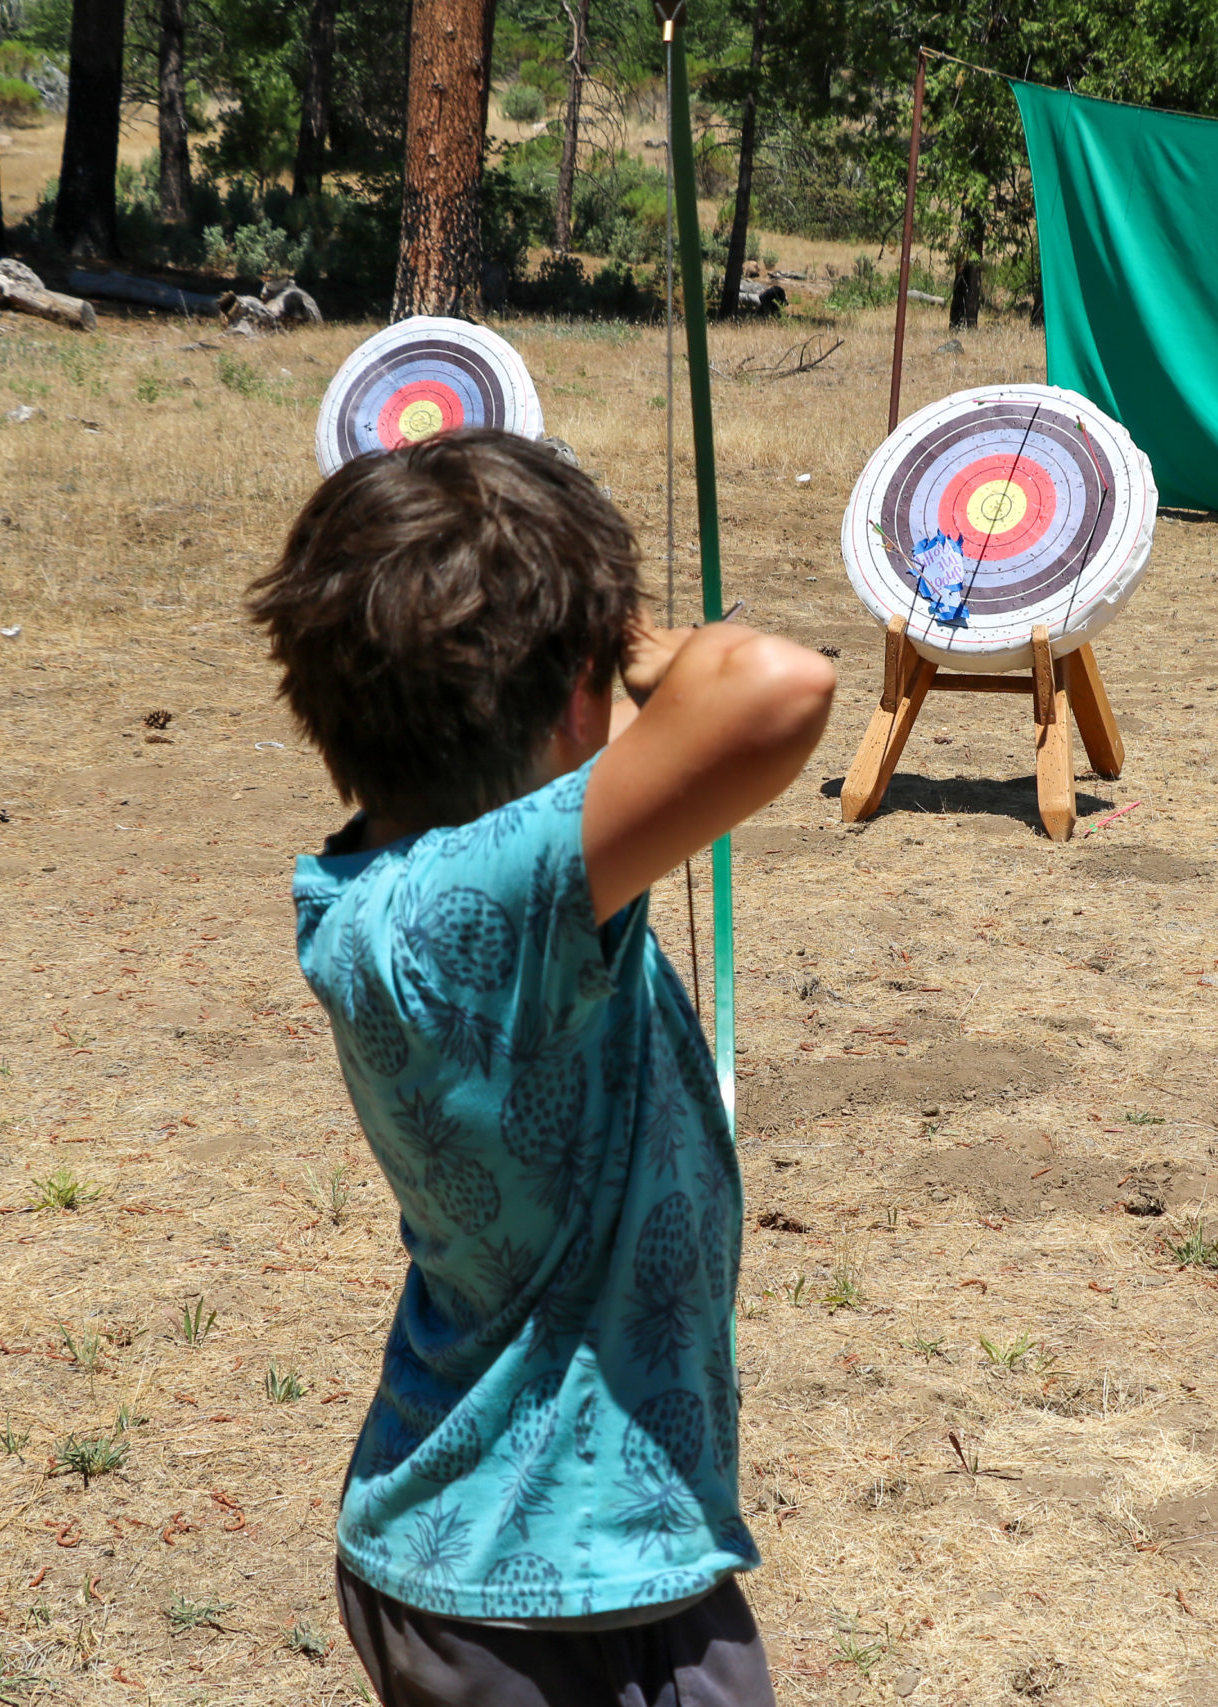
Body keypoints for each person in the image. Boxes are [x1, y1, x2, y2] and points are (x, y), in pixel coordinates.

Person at [245, 429, 836, 1706]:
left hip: (540, 1550)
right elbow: (775, 687)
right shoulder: (486, 905)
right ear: (575, 694)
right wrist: (623, 635)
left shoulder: (397, 890)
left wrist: (584, 644)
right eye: (605, 680)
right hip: (540, 1588)